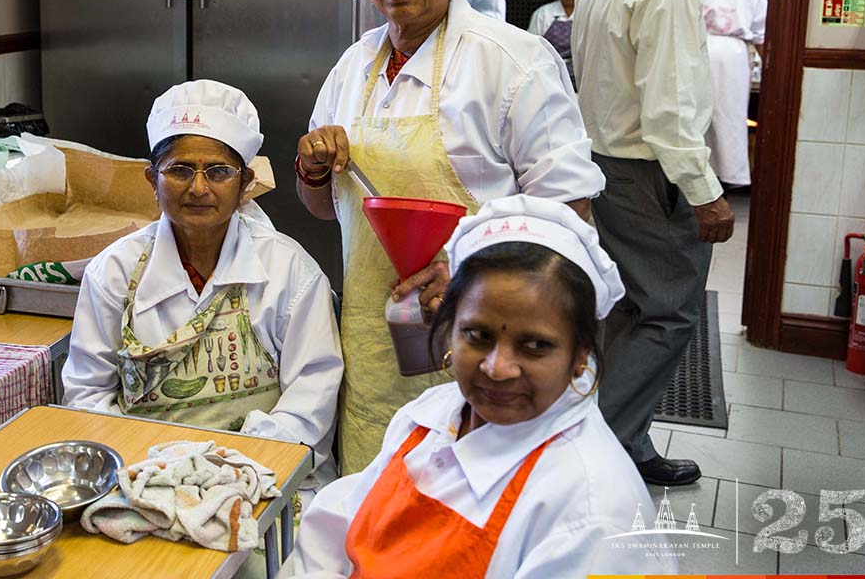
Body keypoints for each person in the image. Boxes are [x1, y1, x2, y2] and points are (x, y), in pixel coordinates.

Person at [297, 0, 604, 473]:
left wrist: (464, 271)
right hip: (375, 337)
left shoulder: (512, 61)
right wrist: (312, 168)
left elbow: (570, 220)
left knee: (474, 504)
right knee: (381, 497)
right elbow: (323, 208)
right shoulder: (353, 66)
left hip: (489, 334)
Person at [290, 195, 677, 578]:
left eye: (535, 346)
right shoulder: (432, 416)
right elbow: (338, 526)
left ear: (581, 352)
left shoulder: (591, 511)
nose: (497, 368)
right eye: (477, 335)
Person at [62, 79, 343, 479]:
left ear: (245, 183)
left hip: (262, 478)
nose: (198, 188)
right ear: (151, 181)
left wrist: (224, 472)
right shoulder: (114, 272)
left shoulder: (289, 272)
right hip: (144, 475)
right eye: (178, 170)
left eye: (218, 172)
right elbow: (87, 396)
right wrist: (157, 471)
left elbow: (310, 403)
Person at [571, 0, 735, 487]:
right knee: (669, 312)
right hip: (648, 172)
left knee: (628, 311)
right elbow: (670, 110)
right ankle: (598, 454)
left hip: (605, 164)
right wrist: (706, 193)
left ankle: (626, 441)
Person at [691, 0, 766, 187]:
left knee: (695, 115)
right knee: (729, 115)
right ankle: (728, 174)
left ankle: (695, 174)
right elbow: (760, 32)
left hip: (695, 51)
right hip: (732, 55)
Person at [527, 0, 582, 83]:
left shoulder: (585, 14)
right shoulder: (543, 13)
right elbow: (531, 46)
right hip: (549, 73)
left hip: (579, 76)